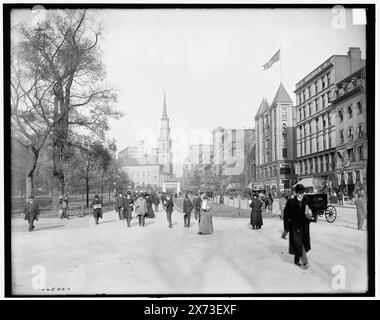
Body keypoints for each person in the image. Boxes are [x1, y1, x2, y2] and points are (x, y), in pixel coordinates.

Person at [283, 184, 312, 269]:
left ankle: (296, 259)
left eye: (302, 193)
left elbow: (312, 210)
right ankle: (305, 262)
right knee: (299, 244)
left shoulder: (307, 200)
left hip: (304, 226)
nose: (301, 194)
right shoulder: (290, 202)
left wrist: (311, 214)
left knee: (301, 244)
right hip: (295, 227)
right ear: (296, 193)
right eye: (299, 193)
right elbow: (286, 216)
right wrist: (286, 228)